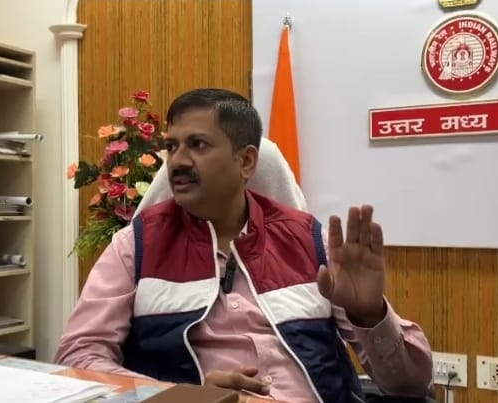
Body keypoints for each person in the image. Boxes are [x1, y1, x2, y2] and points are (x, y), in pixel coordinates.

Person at [55, 88, 434, 403]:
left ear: (247, 161)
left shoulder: (309, 240)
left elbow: (410, 387)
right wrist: (183, 397)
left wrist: (370, 316)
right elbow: (79, 356)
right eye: (172, 147)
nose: (177, 162)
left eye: (198, 145)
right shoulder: (135, 246)